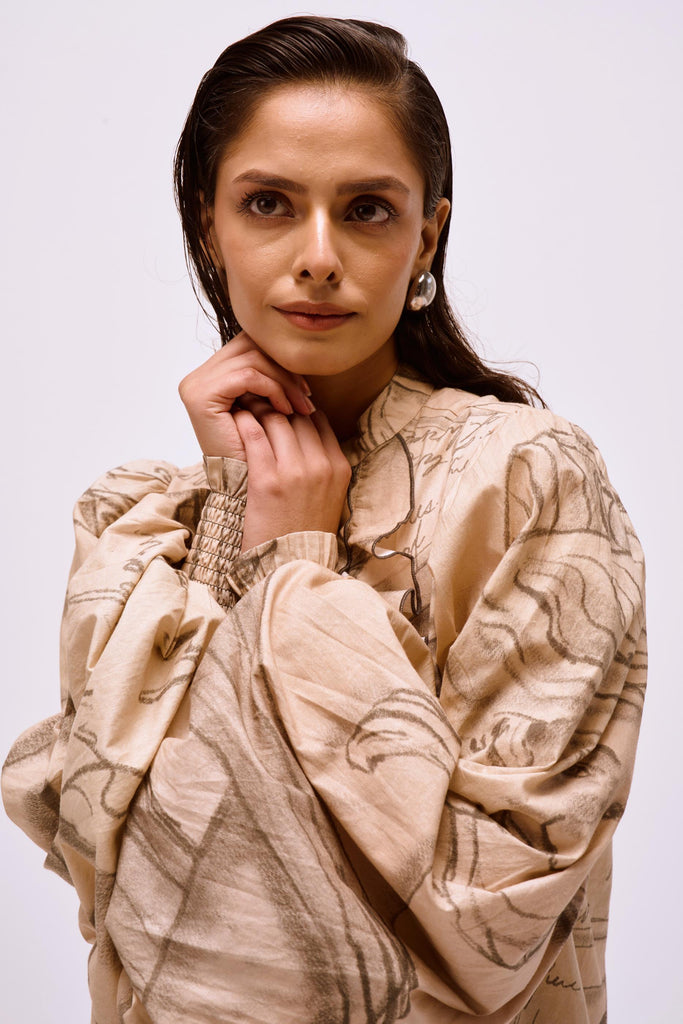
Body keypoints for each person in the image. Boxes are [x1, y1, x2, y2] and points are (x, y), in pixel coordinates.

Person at [2, 15, 646, 1024]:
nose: (317, 257)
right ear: (208, 226)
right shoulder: (142, 527)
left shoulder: (524, 480)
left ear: (425, 234)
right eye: (268, 203)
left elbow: (492, 912)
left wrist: (292, 570)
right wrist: (233, 511)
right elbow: (123, 898)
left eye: (365, 210)